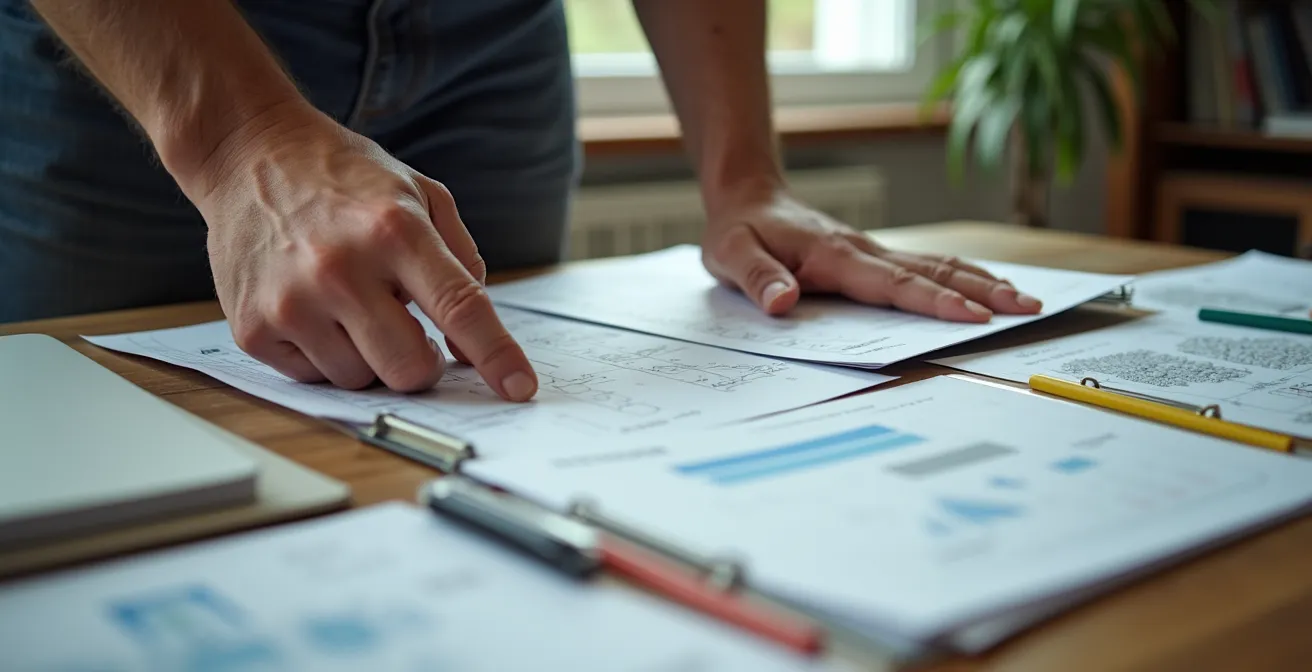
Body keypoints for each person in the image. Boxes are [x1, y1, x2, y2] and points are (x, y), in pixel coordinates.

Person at [2, 0, 1042, 402]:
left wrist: (745, 181)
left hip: (492, 48)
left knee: (460, 409)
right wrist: (236, 140)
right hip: (144, 49)